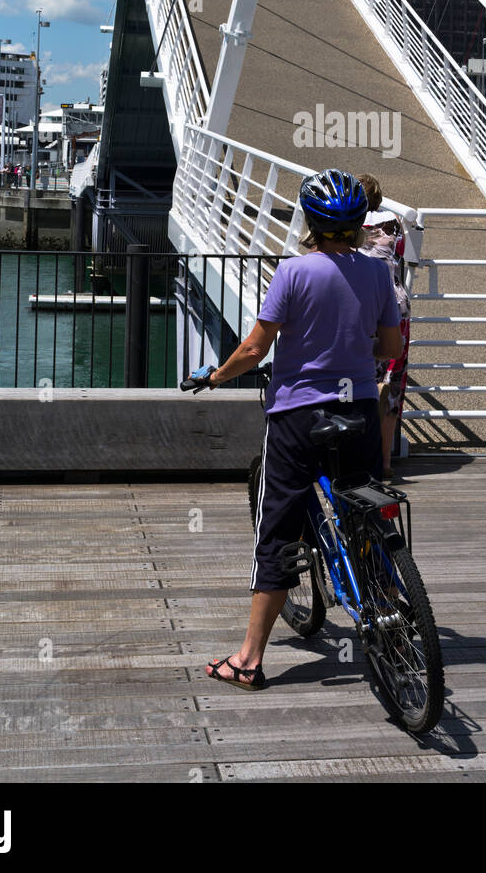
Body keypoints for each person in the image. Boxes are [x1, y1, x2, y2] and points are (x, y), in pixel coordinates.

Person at [189, 168, 403, 691]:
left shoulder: (293, 272)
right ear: (357, 225)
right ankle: (391, 608)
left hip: (298, 417)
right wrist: (355, 355)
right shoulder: (378, 274)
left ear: (310, 220)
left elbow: (255, 350)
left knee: (278, 531)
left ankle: (247, 659)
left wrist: (215, 376)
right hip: (358, 415)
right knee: (366, 506)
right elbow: (391, 349)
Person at [356, 173, 411, 480]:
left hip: (363, 308)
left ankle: (358, 459)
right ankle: (385, 463)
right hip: (397, 305)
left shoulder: (347, 228)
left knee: (357, 382)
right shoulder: (392, 222)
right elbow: (399, 253)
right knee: (392, 385)